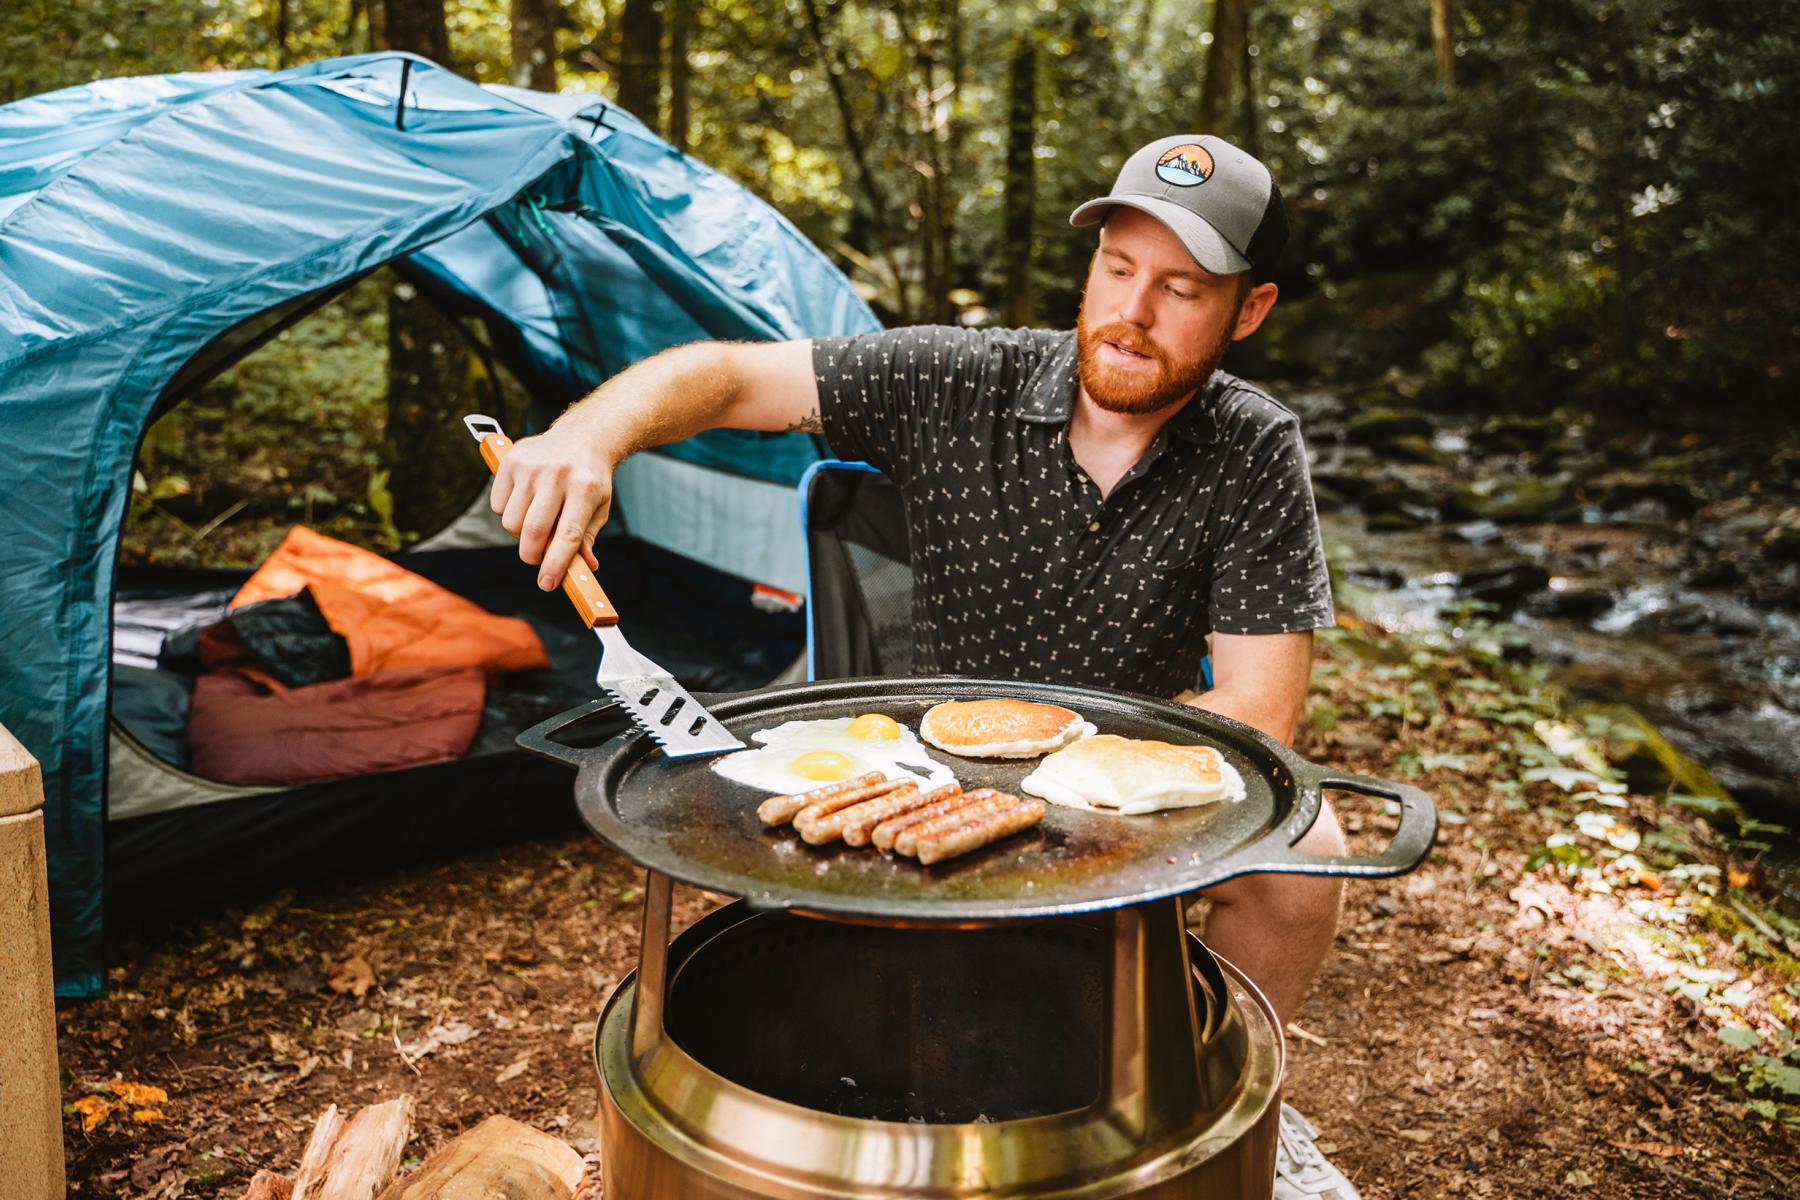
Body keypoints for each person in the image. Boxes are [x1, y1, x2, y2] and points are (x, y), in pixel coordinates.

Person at [491, 134, 1358, 1200]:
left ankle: (1200, 1088)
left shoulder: (1253, 448)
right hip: (923, 783)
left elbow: (1259, 707)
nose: (1135, 310)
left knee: (1308, 841)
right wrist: (592, 437)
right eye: (1119, 270)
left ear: (1250, 309)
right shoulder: (959, 378)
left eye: (1182, 288)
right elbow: (726, 377)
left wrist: (1094, 785)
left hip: (1118, 791)